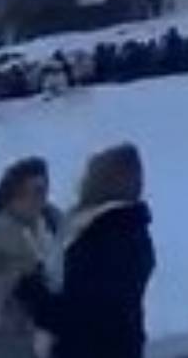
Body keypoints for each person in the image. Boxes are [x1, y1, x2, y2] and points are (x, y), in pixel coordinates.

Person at [15, 144, 155, 358]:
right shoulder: (119, 230)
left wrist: (31, 291)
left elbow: (81, 314)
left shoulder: (108, 238)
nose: (81, 181)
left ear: (102, 181)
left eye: (90, 175)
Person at [0, 157, 61, 358]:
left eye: (44, 190)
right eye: (34, 191)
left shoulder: (53, 225)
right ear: (13, 194)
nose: (40, 198)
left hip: (41, 341)